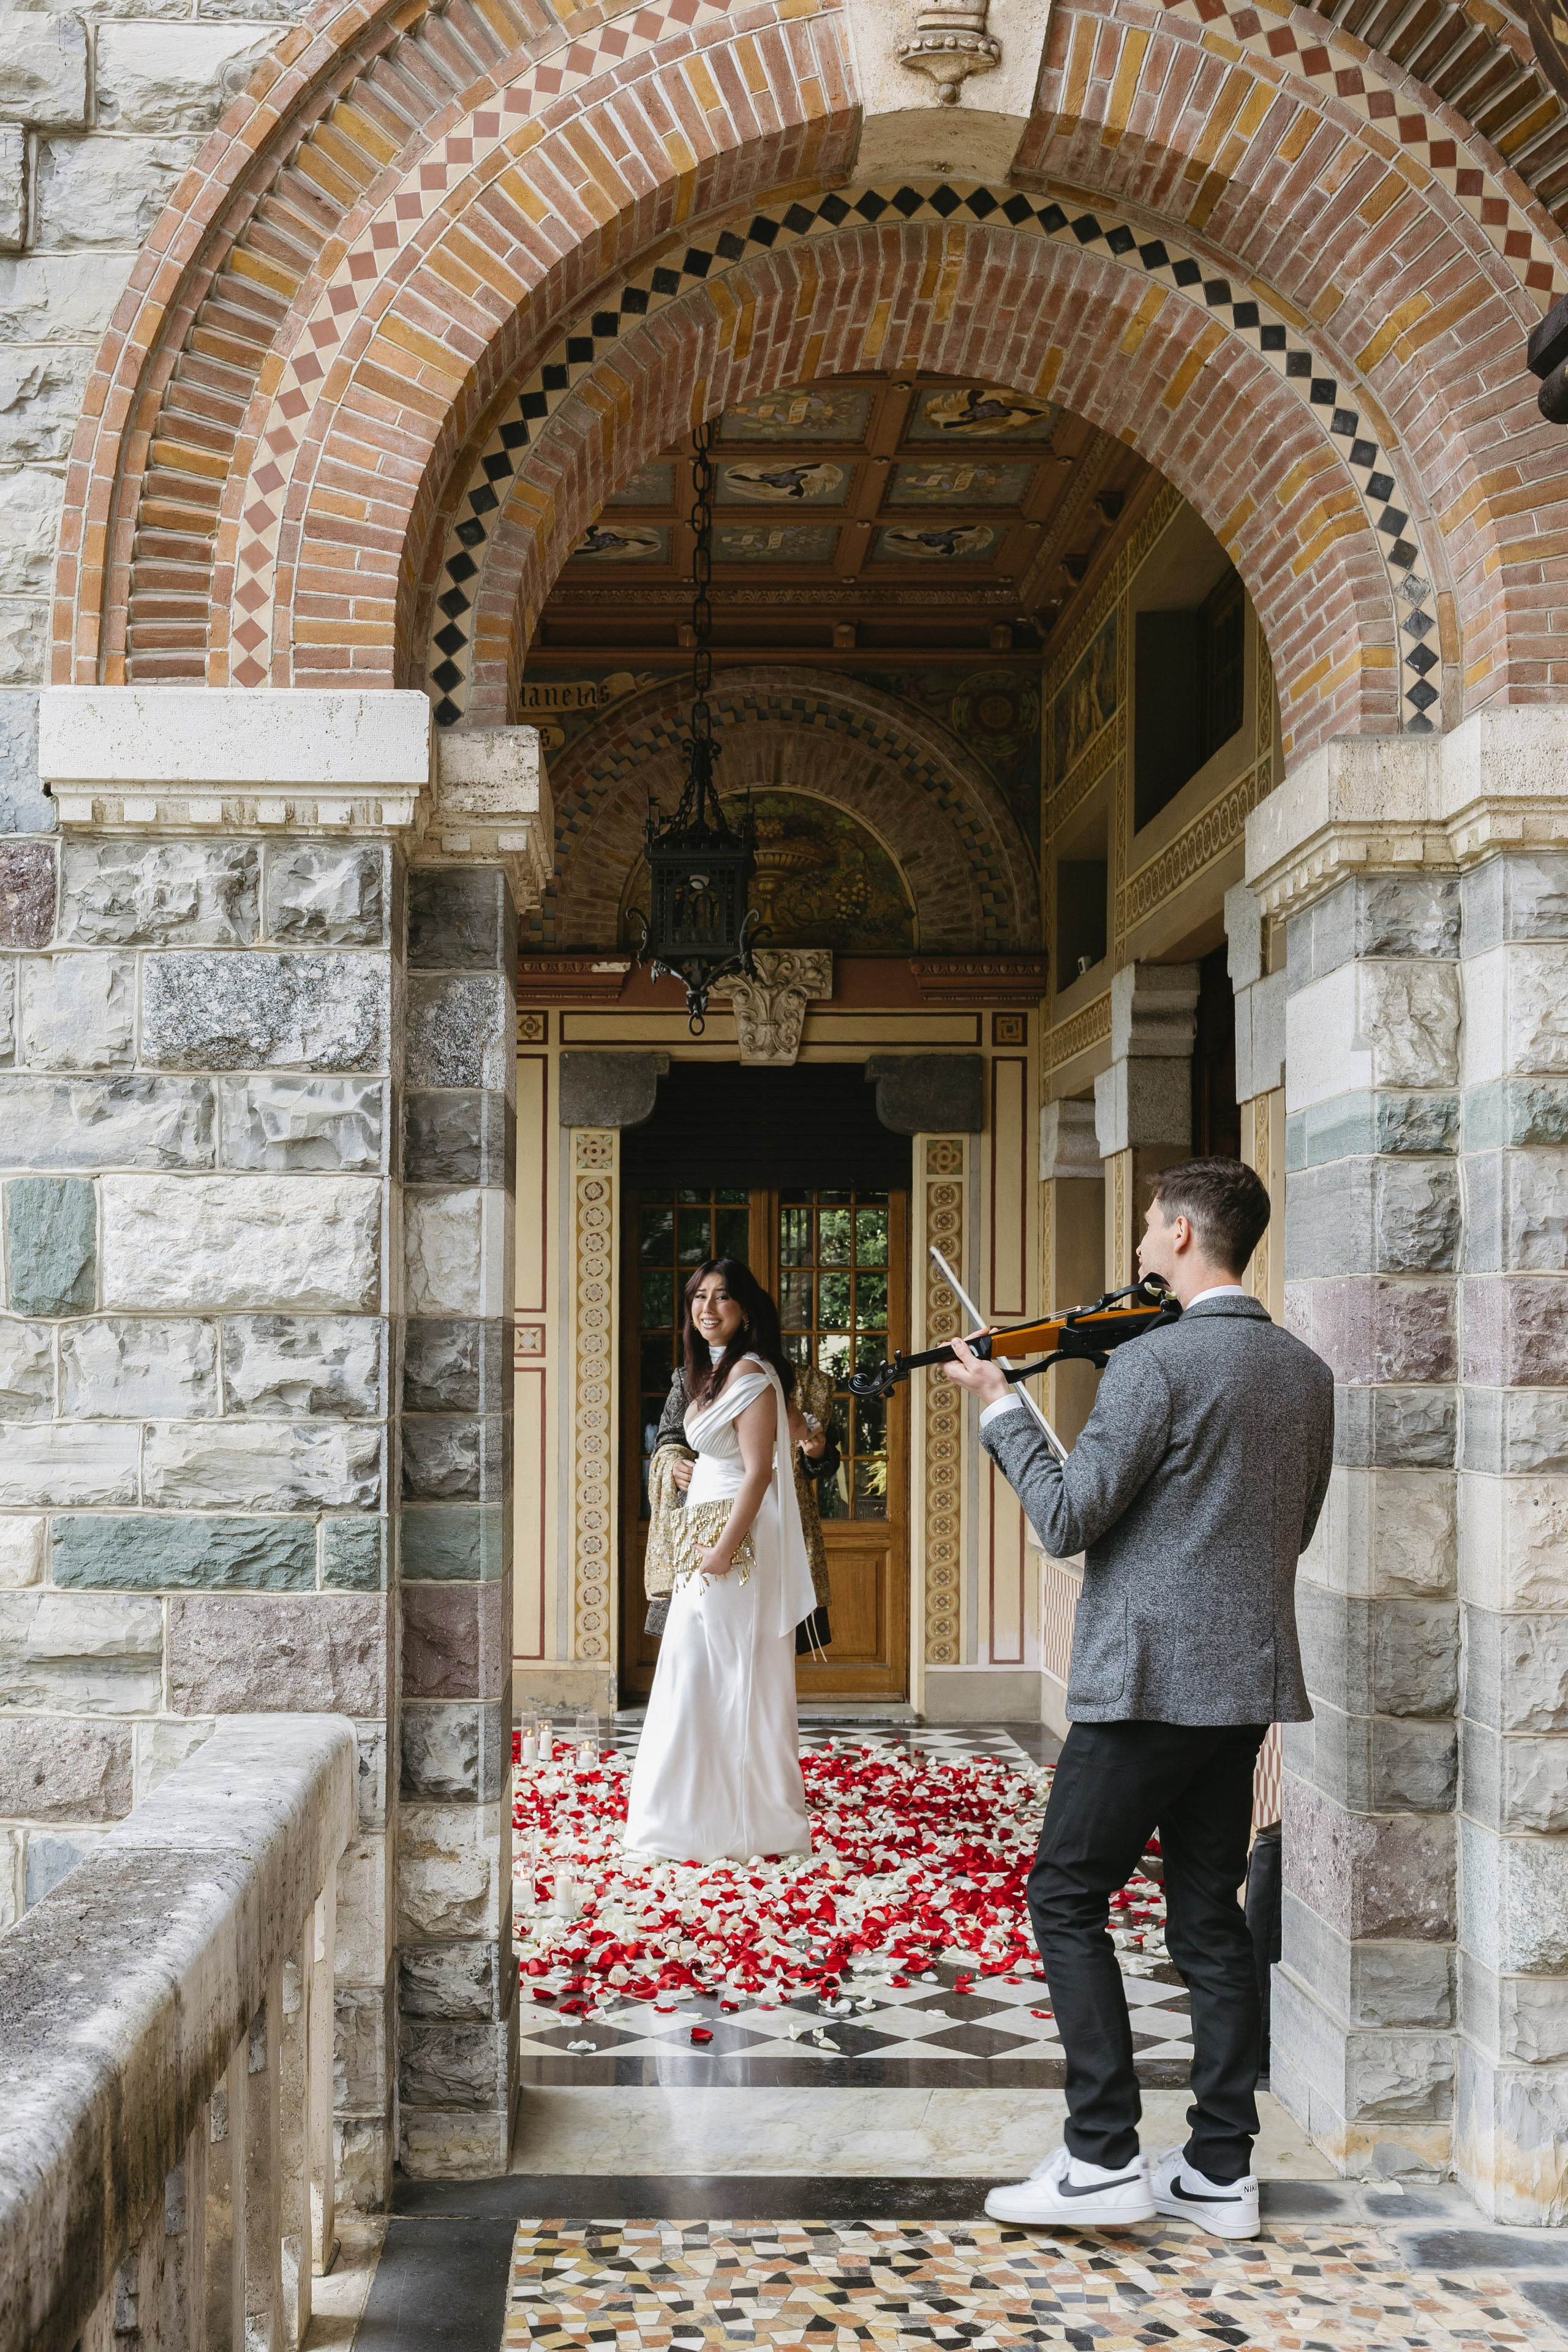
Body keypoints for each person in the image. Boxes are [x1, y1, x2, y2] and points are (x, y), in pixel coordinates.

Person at [943, 1158, 1332, 2240]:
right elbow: (1288, 1529)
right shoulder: (1306, 1371)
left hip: (1147, 1685)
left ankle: (1102, 2154)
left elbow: (1068, 1519)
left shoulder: (1156, 1366)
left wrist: (1002, 1409)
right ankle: (1219, 2169)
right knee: (1208, 1915)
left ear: (1175, 1233)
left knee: (1065, 1894)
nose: (1140, 1245)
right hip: (1243, 1684)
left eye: (1148, 1228)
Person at [625, 1259, 820, 1862]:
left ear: (745, 1310)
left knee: (722, 1673)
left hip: (735, 1545)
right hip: (704, 1537)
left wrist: (721, 1551)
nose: (708, 1308)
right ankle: (691, 1818)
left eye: (723, 1298)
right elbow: (765, 1433)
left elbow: (759, 1473)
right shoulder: (713, 1373)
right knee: (694, 1673)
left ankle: (734, 1822)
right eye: (698, 1298)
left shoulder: (752, 1374)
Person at [645, 1357, 837, 1654]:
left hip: (777, 1510)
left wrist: (818, 1452)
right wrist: (674, 1462)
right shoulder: (690, 1376)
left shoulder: (805, 1382)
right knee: (698, 1637)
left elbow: (826, 1461)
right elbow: (669, 1437)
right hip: (705, 1515)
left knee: (763, 1636)